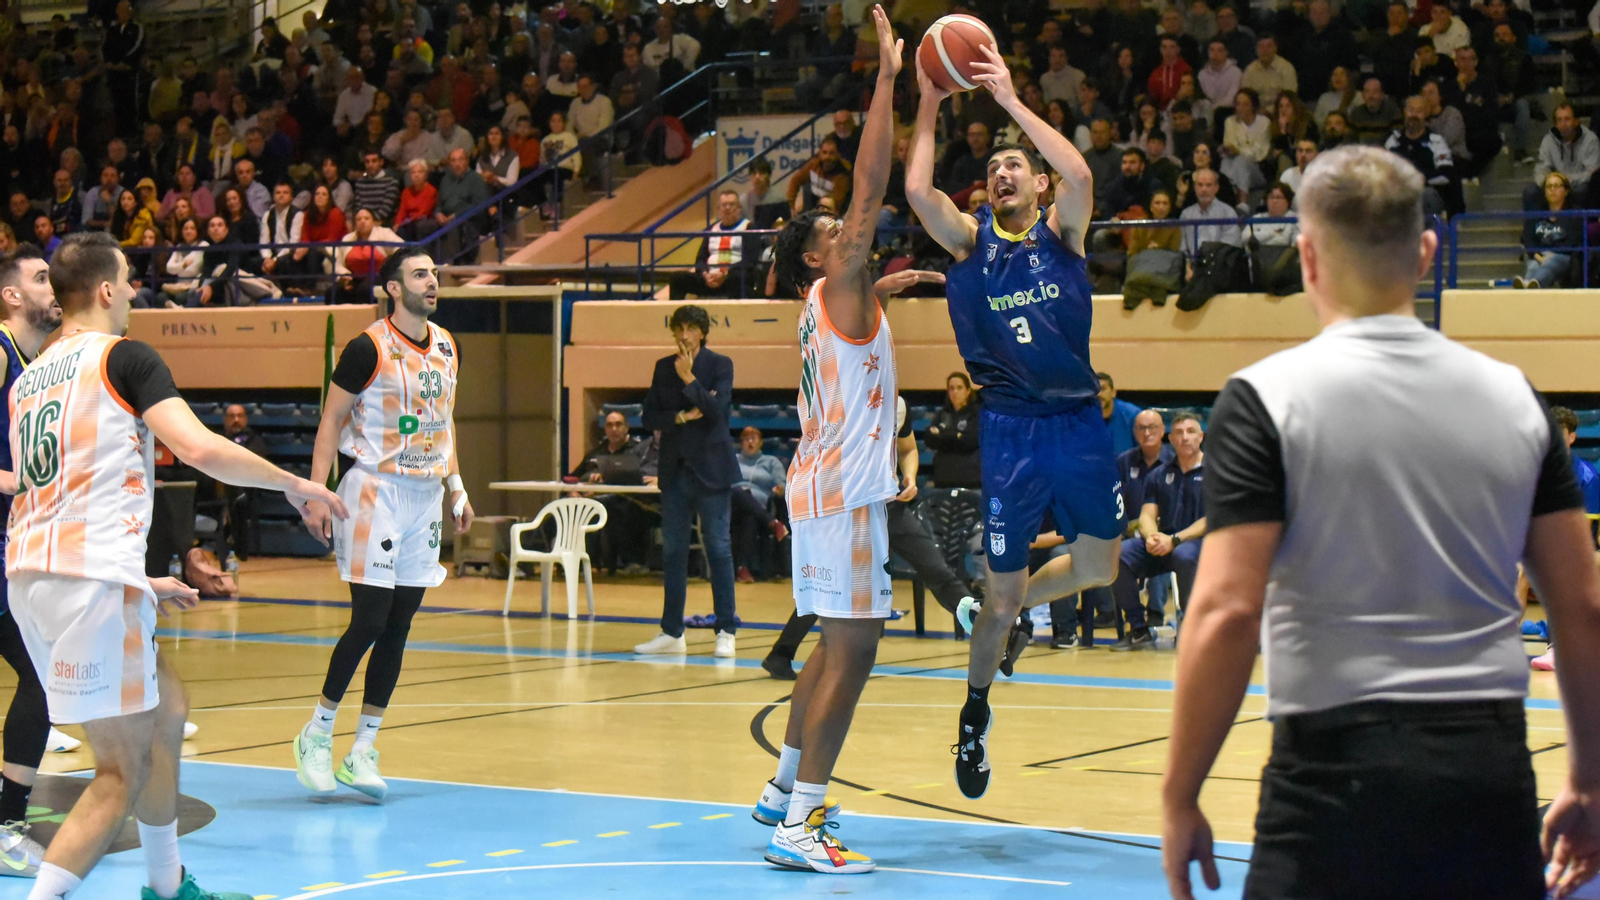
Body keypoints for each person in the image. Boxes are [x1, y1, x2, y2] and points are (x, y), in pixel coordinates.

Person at [1161, 143, 1600, 900]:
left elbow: (1229, 610)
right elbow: (1582, 606)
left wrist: (1179, 794)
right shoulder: (1516, 398)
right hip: (1486, 776)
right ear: (1428, 253)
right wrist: (1589, 780)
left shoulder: (1265, 398)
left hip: (1331, 782)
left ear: (1306, 258)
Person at [9, 231, 344, 900]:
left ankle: (167, 885)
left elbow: (58, 487)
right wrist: (297, 484)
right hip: (89, 582)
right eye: (128, 281)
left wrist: (139, 577)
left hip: (33, 574)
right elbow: (198, 448)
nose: (133, 293)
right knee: (118, 775)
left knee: (167, 709)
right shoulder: (124, 358)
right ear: (106, 290)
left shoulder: (30, 378)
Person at [908, 37, 1123, 801]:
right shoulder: (969, 247)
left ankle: (1007, 609)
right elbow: (917, 192)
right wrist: (931, 101)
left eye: (1013, 166)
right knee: (997, 605)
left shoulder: (1063, 233)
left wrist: (1006, 100)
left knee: (1099, 566)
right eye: (992, 168)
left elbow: (1082, 172)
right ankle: (973, 714)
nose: (1002, 172)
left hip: (1077, 425)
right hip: (1009, 432)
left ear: (1034, 180)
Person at [753, 9, 900, 875]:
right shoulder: (839, 279)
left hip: (821, 484)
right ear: (823, 258)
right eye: (834, 233)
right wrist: (885, 80)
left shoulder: (831, 303)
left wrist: (895, 285)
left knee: (829, 644)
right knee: (856, 648)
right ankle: (801, 825)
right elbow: (871, 185)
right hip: (843, 490)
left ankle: (781, 792)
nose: (847, 232)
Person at [294, 248, 472, 803]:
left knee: (400, 625)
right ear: (394, 289)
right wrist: (316, 492)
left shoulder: (447, 345)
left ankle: (362, 749)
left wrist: (457, 487)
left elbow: (444, 424)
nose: (433, 281)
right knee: (369, 619)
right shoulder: (366, 348)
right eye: (421, 274)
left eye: (435, 274)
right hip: (374, 490)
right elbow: (330, 418)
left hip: (424, 496)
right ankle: (317, 733)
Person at [762, 369, 975, 679]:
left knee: (938, 571)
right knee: (829, 584)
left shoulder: (898, 404)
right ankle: (781, 653)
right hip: (851, 511)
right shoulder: (840, 407)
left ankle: (989, 633)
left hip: (891, 507)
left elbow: (908, 449)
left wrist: (911, 477)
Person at [0, 247, 63, 875]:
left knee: (41, 677)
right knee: (40, 676)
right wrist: (22, 480)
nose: (54, 287)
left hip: (12, 544)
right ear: (12, 296)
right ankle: (6, 824)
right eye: (41, 278)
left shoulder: (36, 364)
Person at [634, 303, 740, 657]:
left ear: (702, 332)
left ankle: (726, 629)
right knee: (674, 553)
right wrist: (680, 417)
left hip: (712, 471)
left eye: (690, 328)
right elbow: (649, 417)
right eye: (678, 328)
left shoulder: (720, 365)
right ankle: (671, 632)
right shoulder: (662, 367)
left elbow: (717, 413)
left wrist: (690, 381)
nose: (683, 335)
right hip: (675, 472)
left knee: (719, 550)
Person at [1108, 412, 1206, 650]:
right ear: (1170, 438)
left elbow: (1213, 519)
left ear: (1201, 437)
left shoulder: (1217, 472)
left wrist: (1175, 539)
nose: (1184, 438)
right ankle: (1139, 628)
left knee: (1184, 555)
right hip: (1164, 542)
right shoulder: (1159, 475)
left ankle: (1192, 628)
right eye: (1179, 433)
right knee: (1118, 554)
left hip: (1200, 544)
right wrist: (1152, 536)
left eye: (1190, 432)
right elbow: (1147, 514)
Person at [569, 411, 654, 573]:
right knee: (558, 510)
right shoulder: (596, 452)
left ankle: (626, 561)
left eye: (618, 424)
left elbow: (639, 478)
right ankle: (528, 556)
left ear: (627, 428)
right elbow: (573, 477)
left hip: (624, 500)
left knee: (617, 509)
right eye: (609, 425)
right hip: (586, 498)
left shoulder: (636, 451)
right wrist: (573, 490)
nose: (614, 429)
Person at [670, 190, 759, 299]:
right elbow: (700, 259)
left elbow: (750, 260)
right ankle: (678, 314)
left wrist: (725, 273)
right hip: (710, 279)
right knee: (677, 278)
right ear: (719, 209)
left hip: (732, 278)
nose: (727, 208)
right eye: (724, 205)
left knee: (737, 278)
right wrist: (705, 275)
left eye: (731, 205)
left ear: (739, 208)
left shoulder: (748, 228)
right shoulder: (712, 230)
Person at [730, 426, 788, 583]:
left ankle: (742, 568)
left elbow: (782, 484)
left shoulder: (771, 462)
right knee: (739, 491)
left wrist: (779, 489)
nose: (750, 442)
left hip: (760, 507)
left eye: (753, 438)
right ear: (741, 443)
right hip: (732, 506)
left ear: (760, 443)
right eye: (746, 439)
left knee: (750, 515)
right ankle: (774, 523)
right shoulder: (733, 460)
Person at [1514, 171, 1583, 290]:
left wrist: (1551, 254)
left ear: (1566, 191)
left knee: (1552, 262)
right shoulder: (1537, 213)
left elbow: (1572, 241)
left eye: (1557, 186)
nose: (1552, 190)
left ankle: (1534, 284)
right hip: (1539, 255)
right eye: (1549, 186)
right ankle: (1527, 286)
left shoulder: (1574, 213)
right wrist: (1537, 255)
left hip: (1562, 255)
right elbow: (1528, 238)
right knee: (1534, 265)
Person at [924, 372, 982, 489]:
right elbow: (930, 440)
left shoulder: (976, 414)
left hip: (970, 481)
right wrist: (956, 435)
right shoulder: (942, 414)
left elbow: (970, 440)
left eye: (959, 388)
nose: (955, 392)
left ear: (968, 391)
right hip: (943, 480)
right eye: (951, 388)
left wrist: (943, 435)